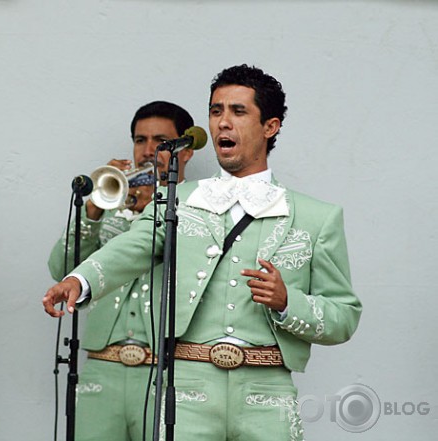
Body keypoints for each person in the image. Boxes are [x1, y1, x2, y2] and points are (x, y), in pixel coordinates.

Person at [43, 65, 362, 440]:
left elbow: (344, 315)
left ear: (270, 126)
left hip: (268, 392)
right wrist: (78, 280)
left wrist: (288, 302)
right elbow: (130, 247)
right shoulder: (180, 200)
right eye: (216, 111)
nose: (223, 123)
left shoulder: (317, 217)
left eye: (238, 111)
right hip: (188, 391)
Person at [48, 101, 195, 441]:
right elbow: (61, 268)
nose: (147, 151)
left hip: (168, 366)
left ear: (184, 151)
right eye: (139, 140)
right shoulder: (112, 205)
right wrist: (95, 209)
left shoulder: (199, 205)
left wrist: (153, 212)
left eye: (160, 141)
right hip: (104, 365)